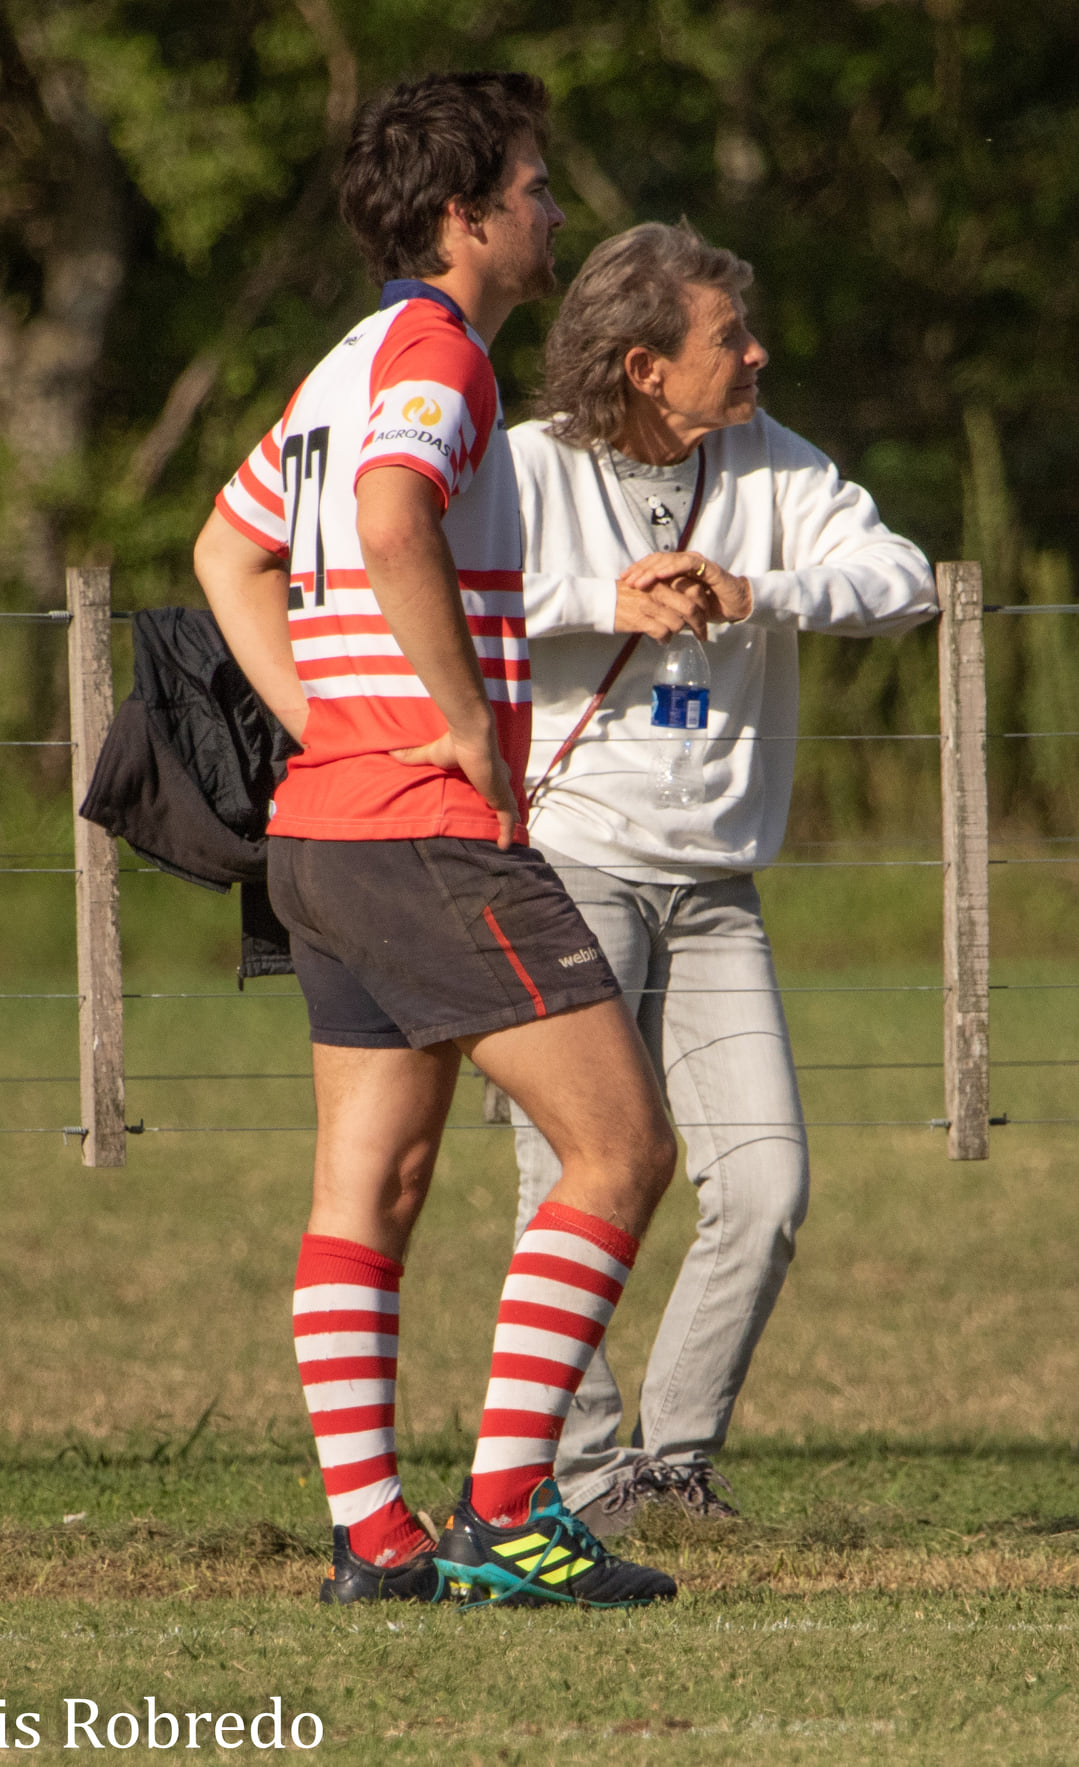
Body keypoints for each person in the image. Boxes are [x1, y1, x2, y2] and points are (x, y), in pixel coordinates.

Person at [191, 73, 679, 1609]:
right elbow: (397, 517)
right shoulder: (436, 352)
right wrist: (457, 718)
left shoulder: (341, 361)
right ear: (465, 215)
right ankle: (508, 1513)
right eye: (533, 188)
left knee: (372, 1188)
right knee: (621, 1146)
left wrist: (321, 717)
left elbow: (225, 545)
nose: (551, 212)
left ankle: (374, 1540)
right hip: (417, 830)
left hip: (324, 830)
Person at [509, 221, 938, 1533]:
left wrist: (755, 593)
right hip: (562, 865)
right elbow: (412, 591)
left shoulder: (772, 458)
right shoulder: (521, 469)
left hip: (714, 888)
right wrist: (603, 598)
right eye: (726, 341)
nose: (757, 355)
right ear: (643, 365)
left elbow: (904, 581)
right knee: (570, 1185)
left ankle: (672, 1465)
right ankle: (572, 1481)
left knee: (765, 1186)